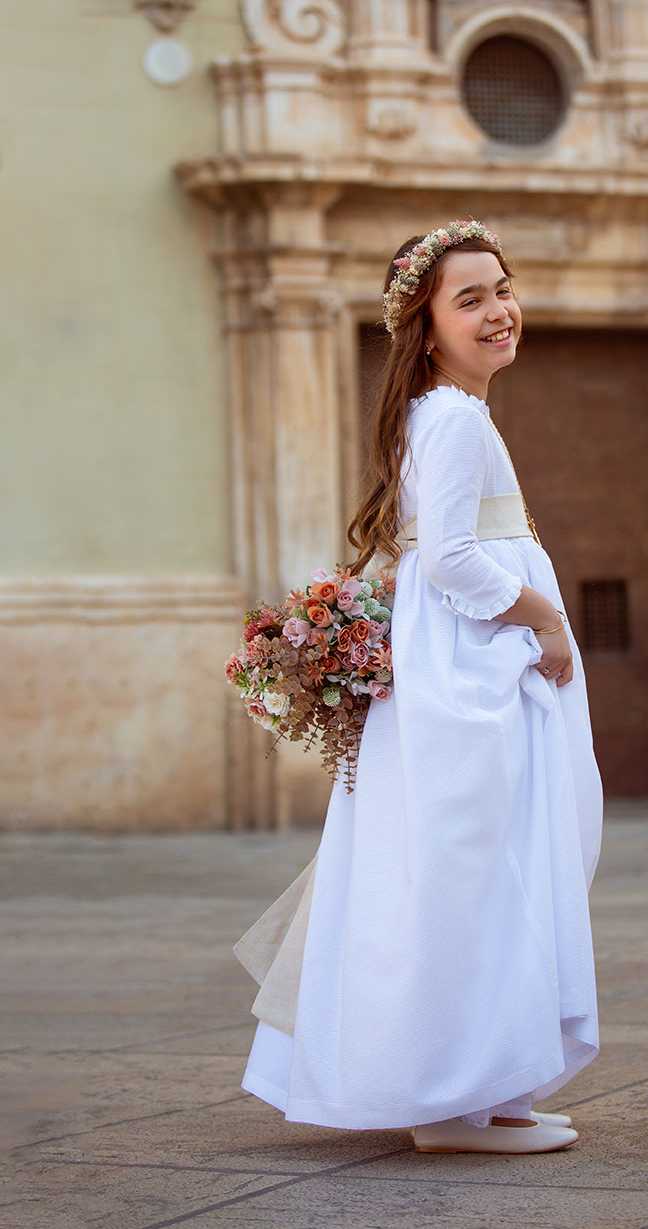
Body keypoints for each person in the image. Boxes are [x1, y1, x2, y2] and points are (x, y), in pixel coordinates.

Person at [234, 218, 603, 1154]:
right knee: (480, 869)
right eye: (469, 298)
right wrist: (544, 618)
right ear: (426, 326)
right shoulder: (449, 416)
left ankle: (486, 1091)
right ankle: (451, 1101)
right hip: (474, 671)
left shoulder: (450, 414)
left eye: (502, 288)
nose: (497, 311)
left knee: (481, 867)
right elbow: (447, 558)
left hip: (468, 664)